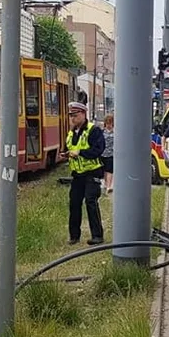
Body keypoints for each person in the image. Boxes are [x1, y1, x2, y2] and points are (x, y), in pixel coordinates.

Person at [63, 102, 105, 245]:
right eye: (71, 116)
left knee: (90, 202)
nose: (72, 119)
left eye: (75, 116)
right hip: (77, 174)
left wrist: (80, 153)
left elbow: (98, 150)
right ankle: (74, 236)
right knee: (74, 204)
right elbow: (69, 147)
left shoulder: (93, 130)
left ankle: (97, 236)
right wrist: (66, 154)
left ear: (83, 114)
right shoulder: (71, 132)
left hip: (92, 172)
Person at [101, 114, 115, 193]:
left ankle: (109, 186)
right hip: (102, 154)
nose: (109, 125)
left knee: (109, 170)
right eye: (107, 123)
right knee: (104, 171)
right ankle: (106, 184)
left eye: (110, 123)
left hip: (111, 154)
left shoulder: (116, 132)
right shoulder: (102, 132)